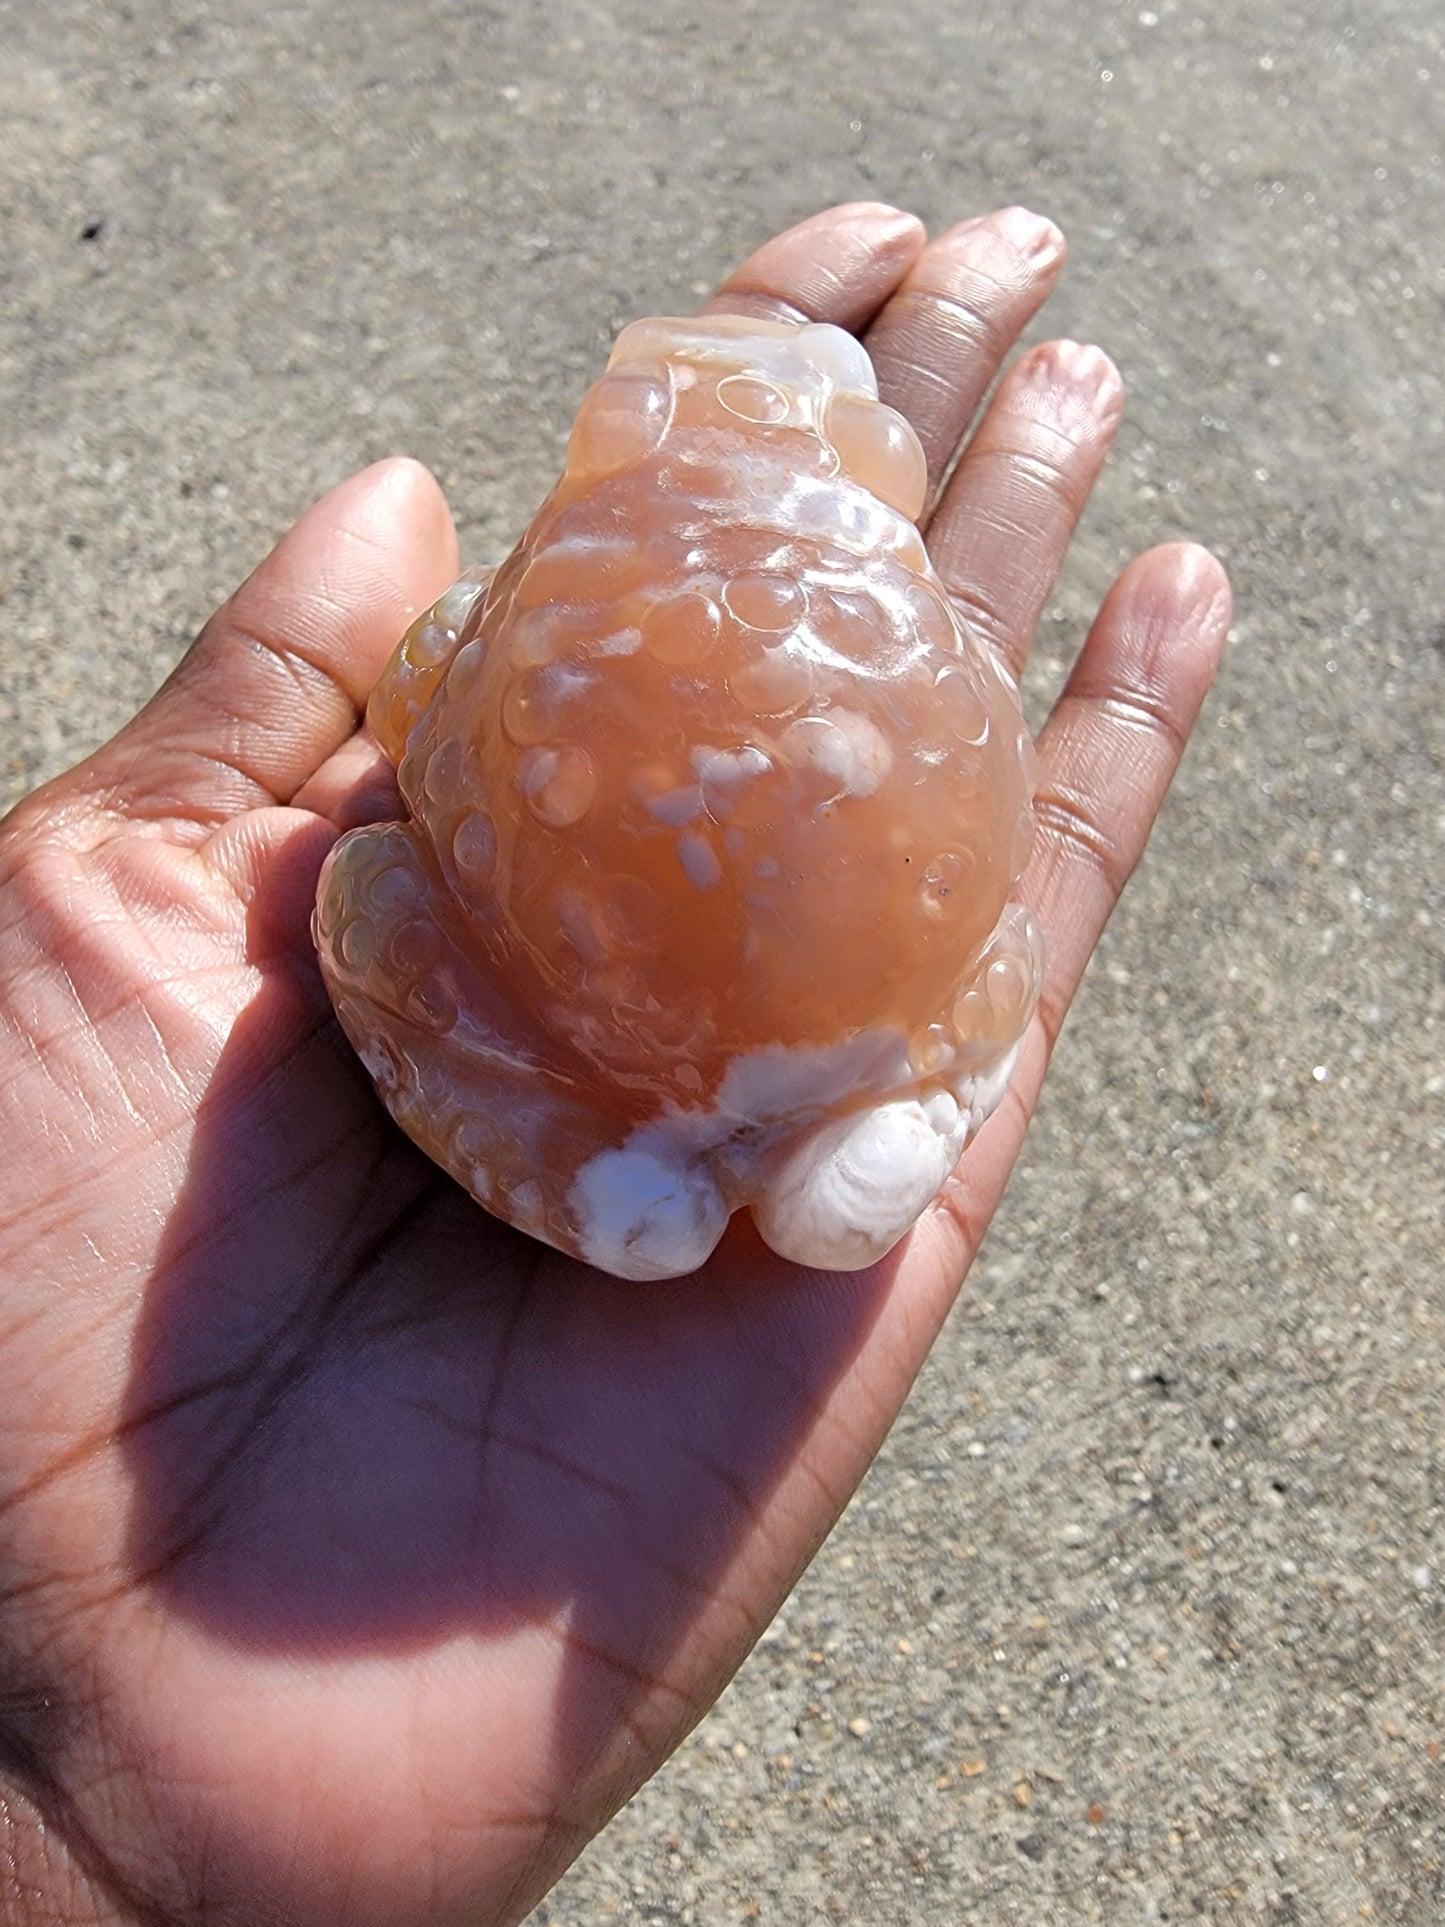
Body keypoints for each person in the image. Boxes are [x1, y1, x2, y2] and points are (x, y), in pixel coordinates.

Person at [0, 203, 1229, 1925]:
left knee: (364, 881)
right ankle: (866, 1121)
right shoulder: (890, 582)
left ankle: (614, 1171)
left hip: (583, 1030)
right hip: (865, 1004)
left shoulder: (538, 586)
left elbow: (422, 724)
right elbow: (977, 770)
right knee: (979, 920)